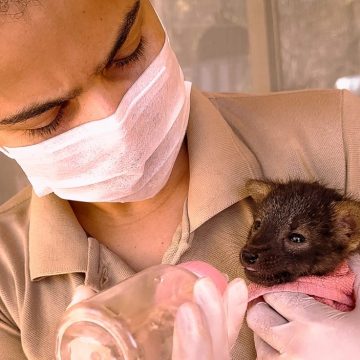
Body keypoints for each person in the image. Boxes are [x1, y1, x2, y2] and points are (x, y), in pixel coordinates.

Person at [0, 1, 359, 359]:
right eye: (45, 116)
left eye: (126, 52)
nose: (114, 117)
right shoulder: (7, 274)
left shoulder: (341, 134)